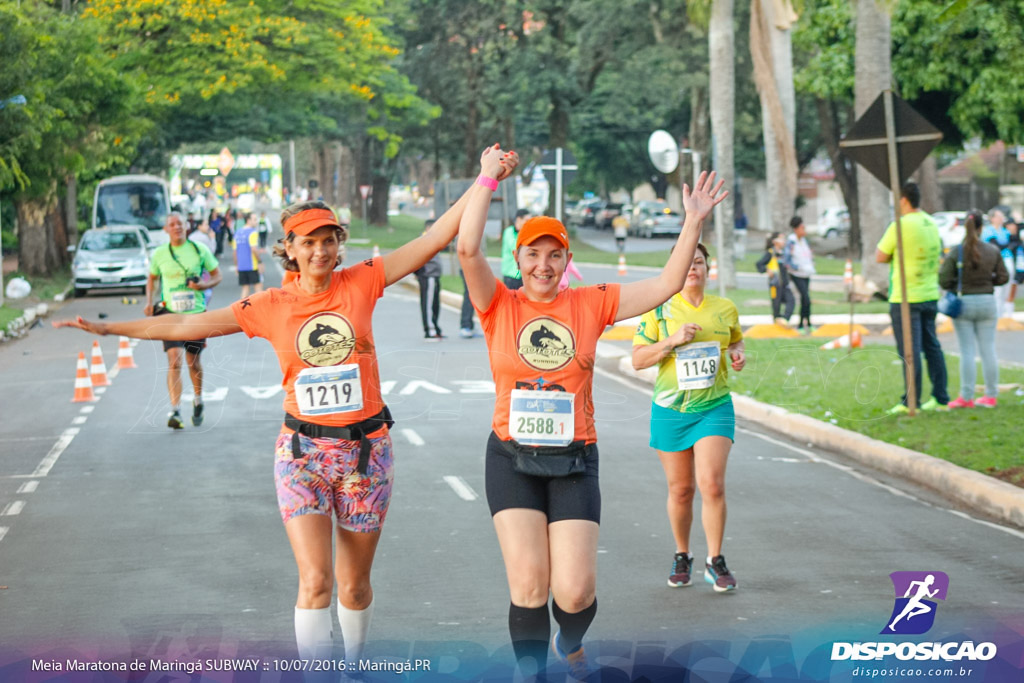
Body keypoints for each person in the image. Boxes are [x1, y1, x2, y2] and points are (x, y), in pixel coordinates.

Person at [55, 143, 519, 666]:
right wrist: (109, 327)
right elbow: (184, 325)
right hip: (301, 454)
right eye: (308, 242)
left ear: (338, 245)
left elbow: (435, 236)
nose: (319, 250)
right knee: (316, 582)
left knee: (354, 586)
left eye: (328, 240)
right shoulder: (270, 306)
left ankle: (356, 664)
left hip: (367, 453)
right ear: (290, 249)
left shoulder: (362, 281)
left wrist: (485, 178)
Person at [458, 168, 725, 679]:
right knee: (531, 586)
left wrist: (692, 222)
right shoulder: (498, 304)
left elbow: (669, 283)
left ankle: (571, 640)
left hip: (575, 459)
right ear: (517, 259)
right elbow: (468, 250)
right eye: (532, 254)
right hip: (511, 458)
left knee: (575, 593)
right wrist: (486, 183)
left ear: (566, 261)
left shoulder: (590, 301)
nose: (543, 264)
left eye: (554, 254)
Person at [632, 242, 744, 594]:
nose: (693, 268)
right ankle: (683, 555)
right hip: (670, 409)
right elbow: (638, 359)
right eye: (687, 263)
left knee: (712, 483)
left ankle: (716, 560)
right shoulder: (658, 311)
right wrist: (673, 340)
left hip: (714, 406)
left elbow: (736, 342)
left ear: (708, 269)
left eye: (699, 262)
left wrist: (739, 356)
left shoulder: (725, 309)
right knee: (681, 490)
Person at [876, 181, 949, 414]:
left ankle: (911, 400)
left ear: (904, 200)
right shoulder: (931, 222)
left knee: (909, 350)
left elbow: (880, 255)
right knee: (932, 347)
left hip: (905, 297)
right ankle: (940, 397)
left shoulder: (900, 225)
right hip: (929, 294)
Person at [145, 212, 222, 429]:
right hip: (170, 313)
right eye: (172, 224)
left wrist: (203, 286)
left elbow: (218, 275)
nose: (176, 227)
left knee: (193, 362)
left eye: (180, 223)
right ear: (165, 230)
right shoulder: (160, 254)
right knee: (174, 360)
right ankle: (175, 410)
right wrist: (149, 301)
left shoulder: (199, 250)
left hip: (195, 314)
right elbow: (151, 279)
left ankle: (198, 400)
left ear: (187, 226)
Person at [940, 210, 1009, 408]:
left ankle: (967, 396)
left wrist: (957, 285)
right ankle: (991, 395)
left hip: (964, 304)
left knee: (967, 351)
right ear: (981, 227)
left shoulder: (957, 251)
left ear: (966, 227)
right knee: (988, 349)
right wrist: (989, 282)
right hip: (987, 302)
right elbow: (1003, 277)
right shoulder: (992, 250)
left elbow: (944, 280)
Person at [755, 231, 795, 326]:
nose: (783, 241)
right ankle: (776, 322)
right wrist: (766, 270)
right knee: (776, 305)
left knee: (791, 301)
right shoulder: (770, 253)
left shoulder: (784, 253)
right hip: (775, 284)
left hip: (785, 284)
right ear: (774, 241)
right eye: (781, 239)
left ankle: (785, 319)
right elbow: (759, 264)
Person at [783, 216, 815, 333]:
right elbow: (787, 260)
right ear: (796, 229)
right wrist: (797, 267)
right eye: (802, 227)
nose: (804, 230)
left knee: (806, 299)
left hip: (806, 274)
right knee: (805, 298)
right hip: (797, 275)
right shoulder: (792, 242)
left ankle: (808, 323)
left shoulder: (804, 241)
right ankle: (801, 325)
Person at [415, 219, 444, 340]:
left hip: (435, 276)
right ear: (428, 228)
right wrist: (420, 273)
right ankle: (429, 330)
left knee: (435, 304)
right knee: (428, 304)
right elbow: (416, 258)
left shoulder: (433, 240)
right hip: (428, 276)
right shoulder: (423, 240)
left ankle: (435, 327)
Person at [233, 212, 264, 299]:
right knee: (258, 287)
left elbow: (235, 252)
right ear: (248, 220)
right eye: (254, 219)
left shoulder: (238, 232)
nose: (256, 221)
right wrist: (259, 261)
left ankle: (243, 310)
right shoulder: (252, 232)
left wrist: (236, 265)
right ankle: (261, 309)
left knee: (245, 289)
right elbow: (254, 249)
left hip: (241, 266)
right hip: (252, 265)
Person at [502, 209, 529, 289]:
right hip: (511, 274)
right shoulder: (509, 232)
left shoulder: (525, 233)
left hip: (522, 274)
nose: (528, 223)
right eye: (526, 220)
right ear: (518, 219)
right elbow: (516, 247)